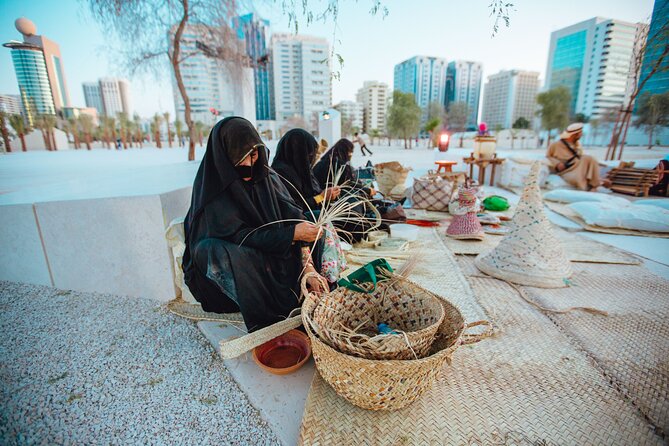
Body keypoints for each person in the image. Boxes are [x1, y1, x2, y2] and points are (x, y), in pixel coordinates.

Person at [182, 117, 325, 332]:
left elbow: (293, 214)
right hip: (240, 265)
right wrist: (290, 235)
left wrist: (308, 264)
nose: (249, 164)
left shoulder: (266, 177)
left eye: (254, 154)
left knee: (313, 223)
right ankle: (265, 317)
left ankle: (307, 287)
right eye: (241, 158)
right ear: (224, 155)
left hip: (273, 255)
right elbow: (238, 236)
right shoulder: (213, 189)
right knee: (212, 250)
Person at [271, 129, 341, 213]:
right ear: (298, 153)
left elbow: (315, 193)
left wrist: (329, 195)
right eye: (309, 155)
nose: (311, 159)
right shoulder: (280, 174)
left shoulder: (302, 170)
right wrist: (321, 197)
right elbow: (292, 209)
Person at [546, 123, 609, 191]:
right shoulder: (555, 145)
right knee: (578, 177)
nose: (581, 135)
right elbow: (548, 156)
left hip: (579, 168)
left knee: (588, 158)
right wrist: (557, 163)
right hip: (567, 171)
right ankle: (594, 184)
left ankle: (596, 182)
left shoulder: (577, 146)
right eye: (580, 133)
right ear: (575, 134)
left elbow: (580, 159)